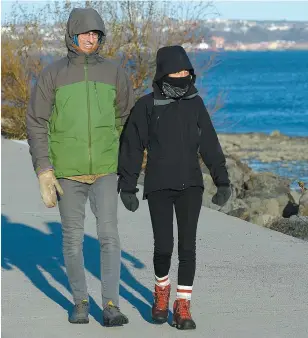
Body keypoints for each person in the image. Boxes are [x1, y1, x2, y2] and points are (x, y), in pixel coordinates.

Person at [26, 7, 134, 326]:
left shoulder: (115, 73)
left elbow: (127, 119)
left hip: (106, 167)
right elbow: (36, 122)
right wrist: (44, 168)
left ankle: (111, 304)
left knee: (109, 235)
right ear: (72, 35)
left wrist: (129, 162)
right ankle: (80, 301)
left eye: (96, 34)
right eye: (85, 33)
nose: (90, 38)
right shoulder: (53, 74)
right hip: (67, 171)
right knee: (73, 238)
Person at [117, 45, 231, 330]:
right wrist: (127, 186)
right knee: (164, 247)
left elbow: (210, 144)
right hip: (158, 185)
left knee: (187, 247)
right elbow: (131, 147)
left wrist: (222, 180)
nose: (181, 75)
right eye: (175, 71)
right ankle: (161, 294)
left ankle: (182, 305)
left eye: (185, 71)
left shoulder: (196, 104)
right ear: (163, 73)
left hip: (191, 185)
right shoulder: (147, 105)